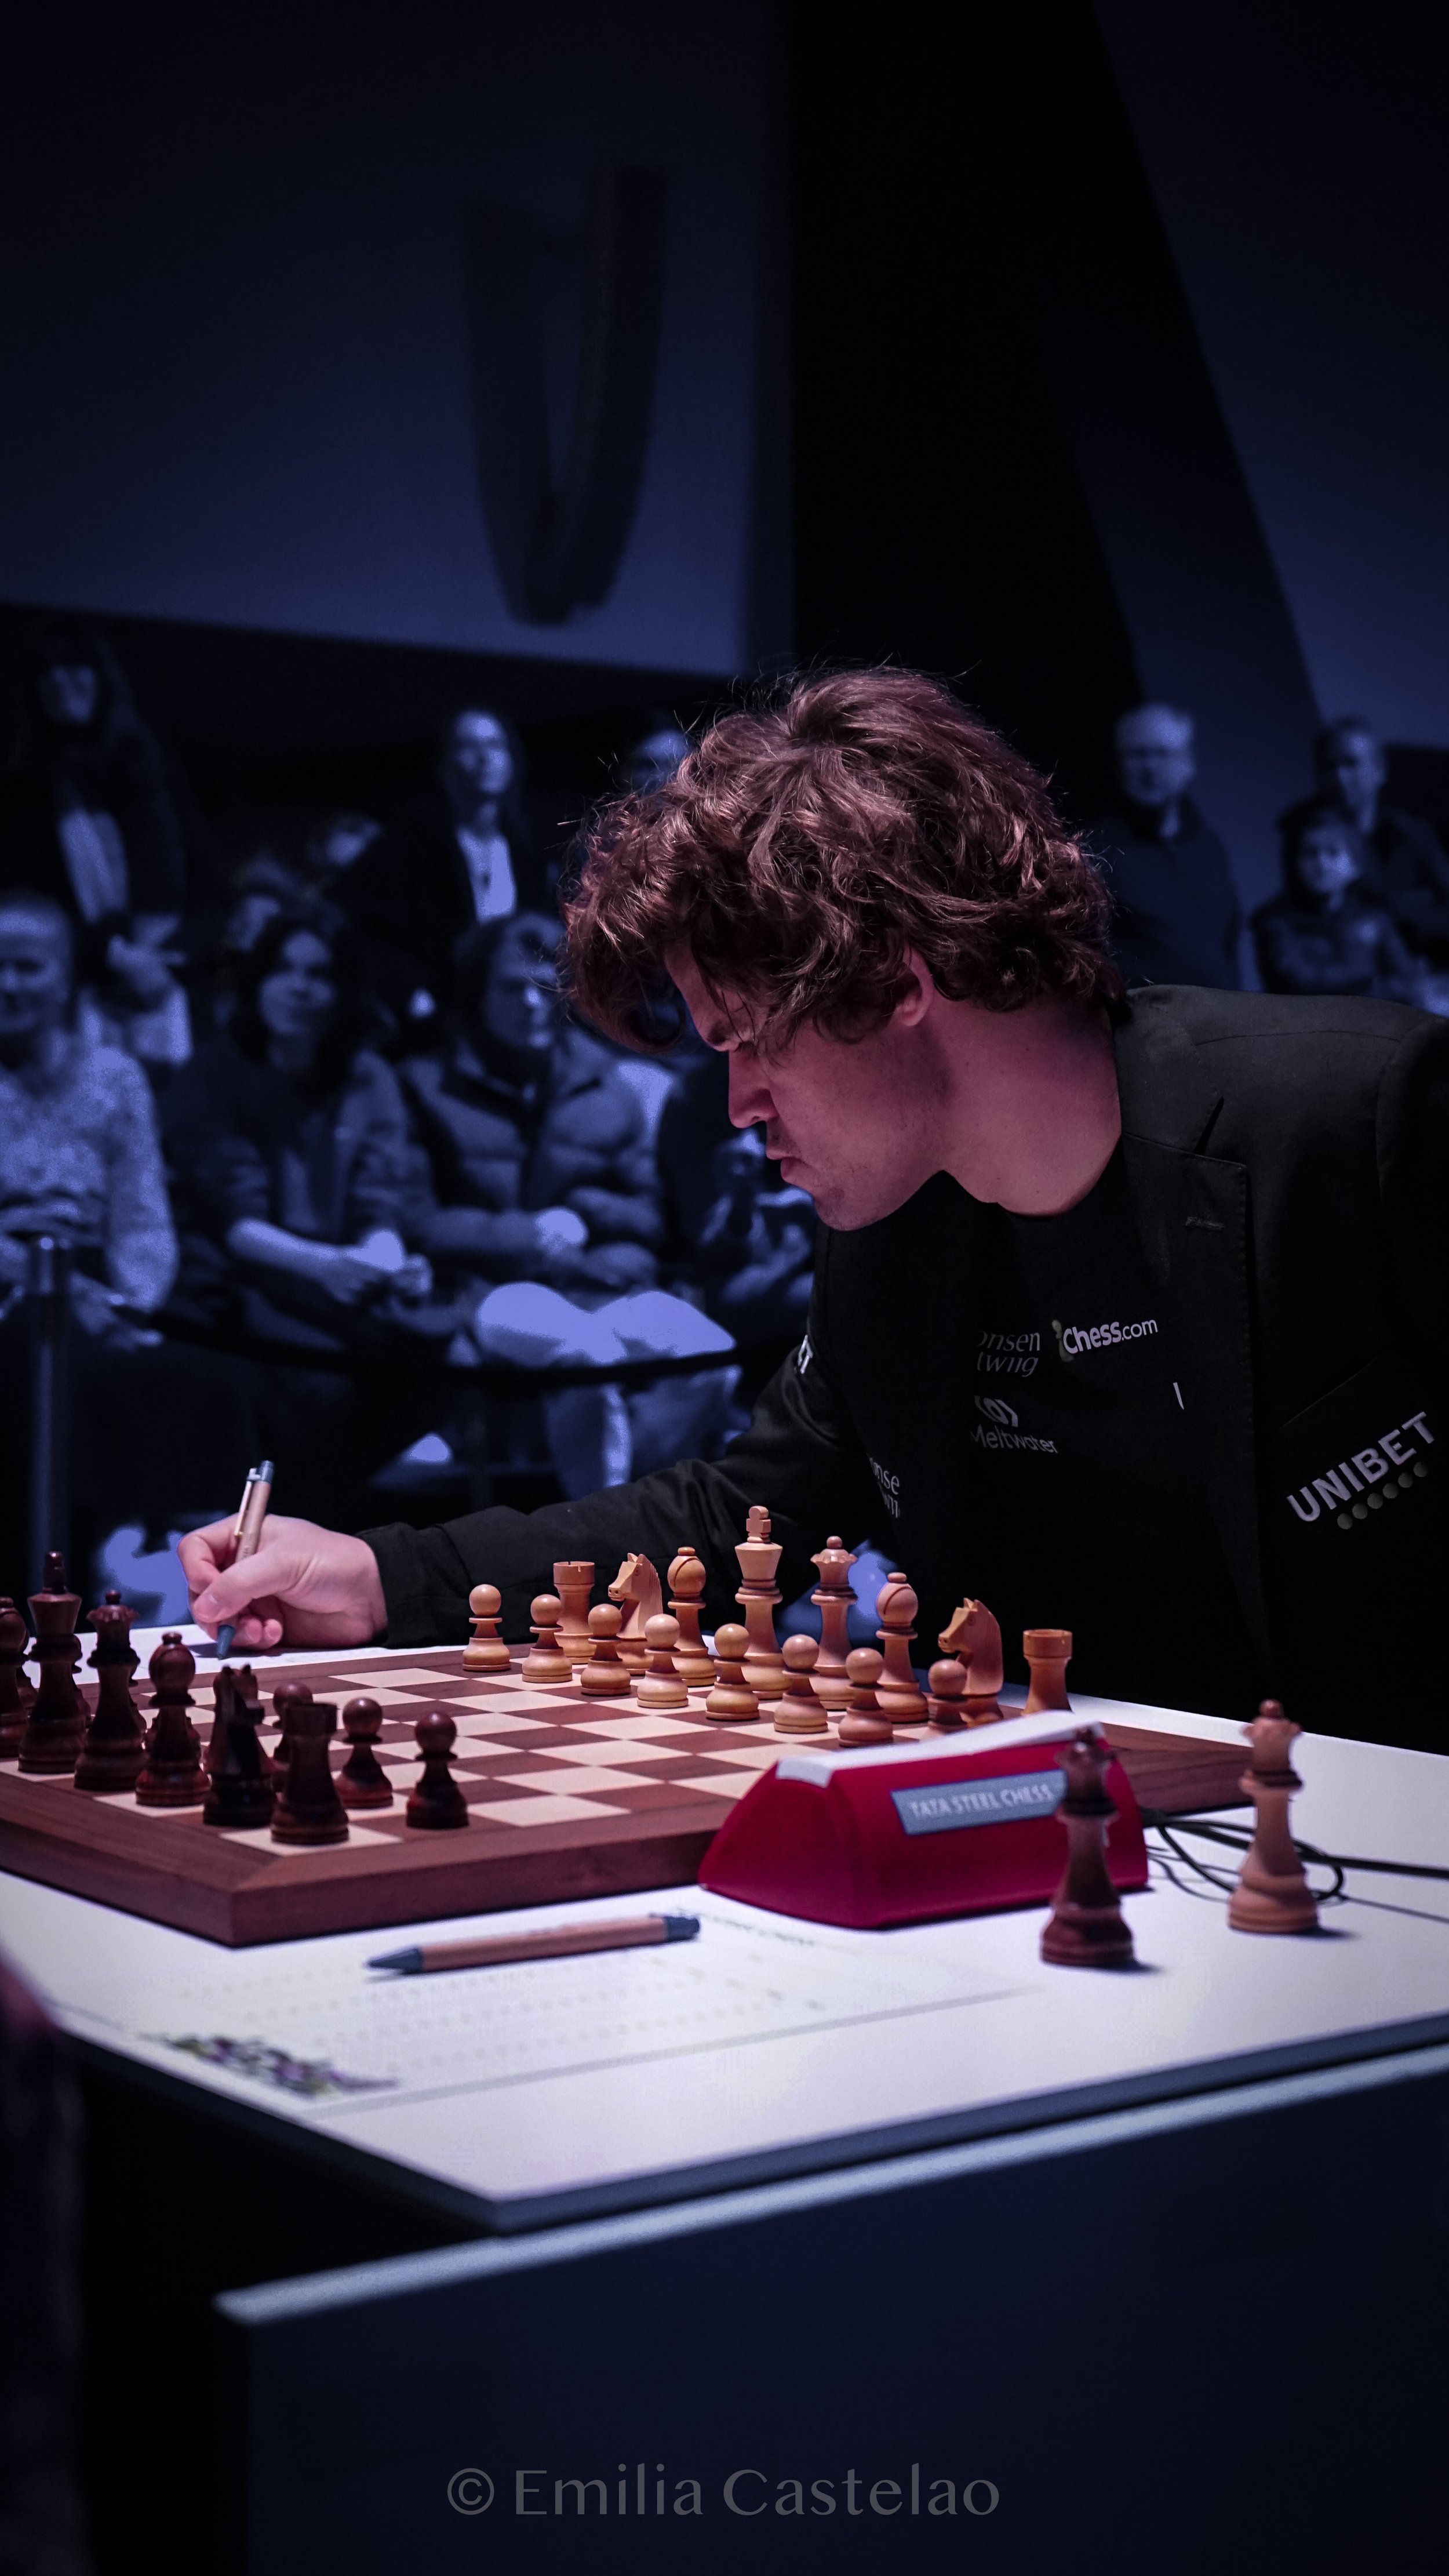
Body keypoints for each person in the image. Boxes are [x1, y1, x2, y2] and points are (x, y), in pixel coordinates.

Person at [179, 671, 1449, 1747]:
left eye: (749, 1040)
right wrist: (385, 1573)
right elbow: (733, 1520)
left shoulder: (1366, 1117)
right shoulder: (895, 1237)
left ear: (892, 980)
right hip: (1086, 1856)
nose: (737, 1105)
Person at [402, 910, 736, 1495]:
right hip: (489, 1289)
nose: (531, 1004)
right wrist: (528, 1236)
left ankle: (623, 1505)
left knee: (711, 1357)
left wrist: (583, 1218)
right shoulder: (428, 1086)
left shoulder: (608, 1085)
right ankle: (604, 1526)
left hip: (600, 1282)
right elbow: (417, 1220)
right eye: (511, 988)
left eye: (544, 988)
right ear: (478, 994)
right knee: (588, 1353)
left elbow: (648, 1217)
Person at [163, 902, 431, 1350]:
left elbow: (378, 1202)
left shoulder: (371, 1077)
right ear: (258, 980)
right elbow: (233, 1215)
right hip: (240, 1285)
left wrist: (387, 1264)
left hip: (338, 1281)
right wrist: (325, 1265)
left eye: (318, 974)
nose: (298, 987)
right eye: (283, 969)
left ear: (344, 989)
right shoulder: (212, 1073)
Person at [0, 617, 203, 1073]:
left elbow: (211, 888)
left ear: (101, 677)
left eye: (73, 666)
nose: (59, 682)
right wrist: (116, 954)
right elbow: (20, 905)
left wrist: (165, 957)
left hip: (170, 987)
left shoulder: (157, 778)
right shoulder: (22, 795)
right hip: (74, 996)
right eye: (44, 674)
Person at [341, 709, 549, 1027]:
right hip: (436, 1016)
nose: (484, 758)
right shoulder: (411, 843)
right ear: (445, 762)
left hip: (511, 1012)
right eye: (468, 746)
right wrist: (411, 995)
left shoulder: (527, 848)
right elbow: (365, 925)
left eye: (495, 745)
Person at [1090, 704, 1242, 989]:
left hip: (1223, 1008)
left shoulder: (1207, 846)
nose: (1150, 767)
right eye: (1137, 754)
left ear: (1188, 764)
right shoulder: (1098, 851)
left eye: (1162, 754)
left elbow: (1226, 940)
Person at [1300, 717, 1449, 964]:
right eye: (1328, 767)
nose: (1339, 777)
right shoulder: (1305, 841)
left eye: (1351, 763)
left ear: (1380, 770)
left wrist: (1404, 913)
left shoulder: (1412, 833)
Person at [1253, 806, 1423, 1002]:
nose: (1322, 864)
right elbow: (1297, 983)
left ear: (1355, 863)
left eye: (1333, 852)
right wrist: (1372, 982)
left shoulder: (1375, 919)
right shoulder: (1275, 922)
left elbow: (1408, 982)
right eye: (1310, 853)